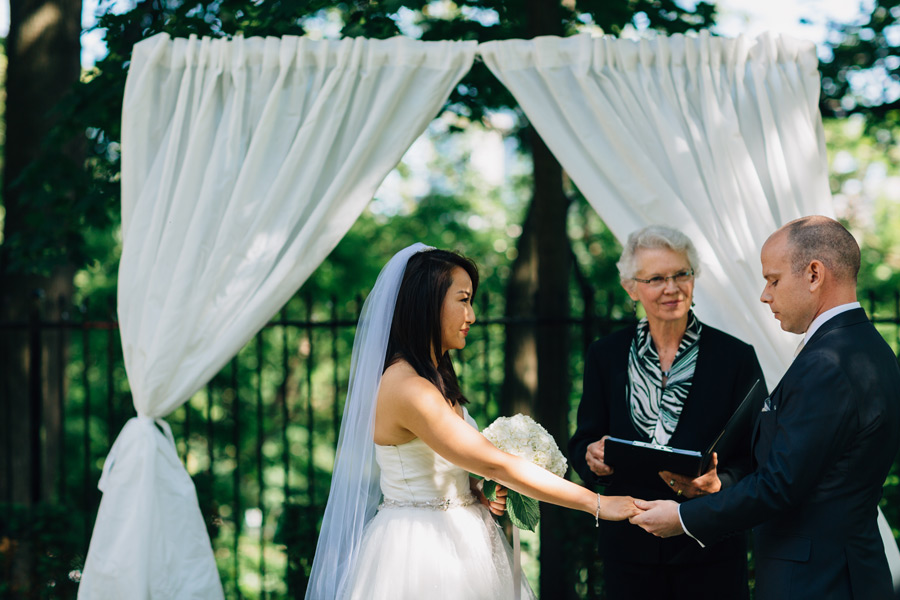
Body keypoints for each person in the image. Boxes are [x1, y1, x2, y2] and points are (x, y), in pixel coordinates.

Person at [305, 244, 640, 600]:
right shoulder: (407, 388)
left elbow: (454, 461)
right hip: (421, 552)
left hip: (466, 537)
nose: (473, 315)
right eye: (463, 300)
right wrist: (599, 504)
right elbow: (493, 461)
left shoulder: (432, 377)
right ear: (426, 303)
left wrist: (471, 492)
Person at [630, 216, 900, 599]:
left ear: (814, 274)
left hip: (819, 581)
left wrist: (682, 518)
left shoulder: (830, 362)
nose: (764, 294)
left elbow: (781, 485)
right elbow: (811, 468)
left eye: (773, 279)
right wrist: (726, 483)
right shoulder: (867, 348)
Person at [568, 225, 766, 600]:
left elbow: (760, 455)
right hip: (629, 545)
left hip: (709, 544)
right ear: (631, 287)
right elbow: (583, 440)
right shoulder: (605, 354)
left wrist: (720, 482)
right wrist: (591, 456)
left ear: (694, 278)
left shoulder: (736, 357)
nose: (671, 288)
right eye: (656, 278)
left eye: (681, 274)